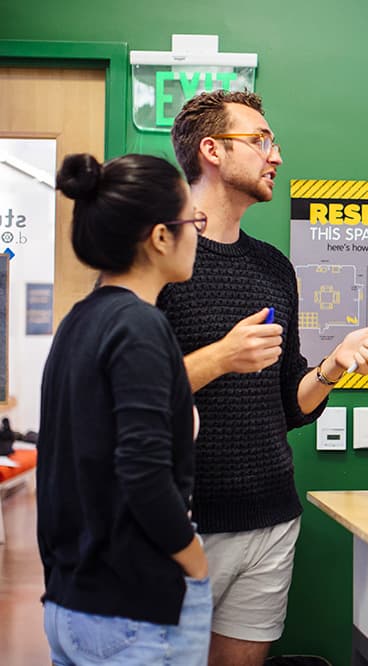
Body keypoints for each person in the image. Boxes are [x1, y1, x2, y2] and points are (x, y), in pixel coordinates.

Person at [161, 90, 368, 666]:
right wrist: (221, 356)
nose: (276, 156)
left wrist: (332, 366)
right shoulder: (157, 254)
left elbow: (288, 403)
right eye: (261, 140)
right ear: (211, 150)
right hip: (179, 526)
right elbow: (121, 393)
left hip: (271, 518)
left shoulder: (273, 266)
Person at [38, 152, 210, 664]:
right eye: (192, 222)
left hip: (72, 602)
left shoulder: (79, 321)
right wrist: (196, 564)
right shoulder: (139, 326)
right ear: (160, 237)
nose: (197, 235)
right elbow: (143, 473)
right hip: (132, 614)